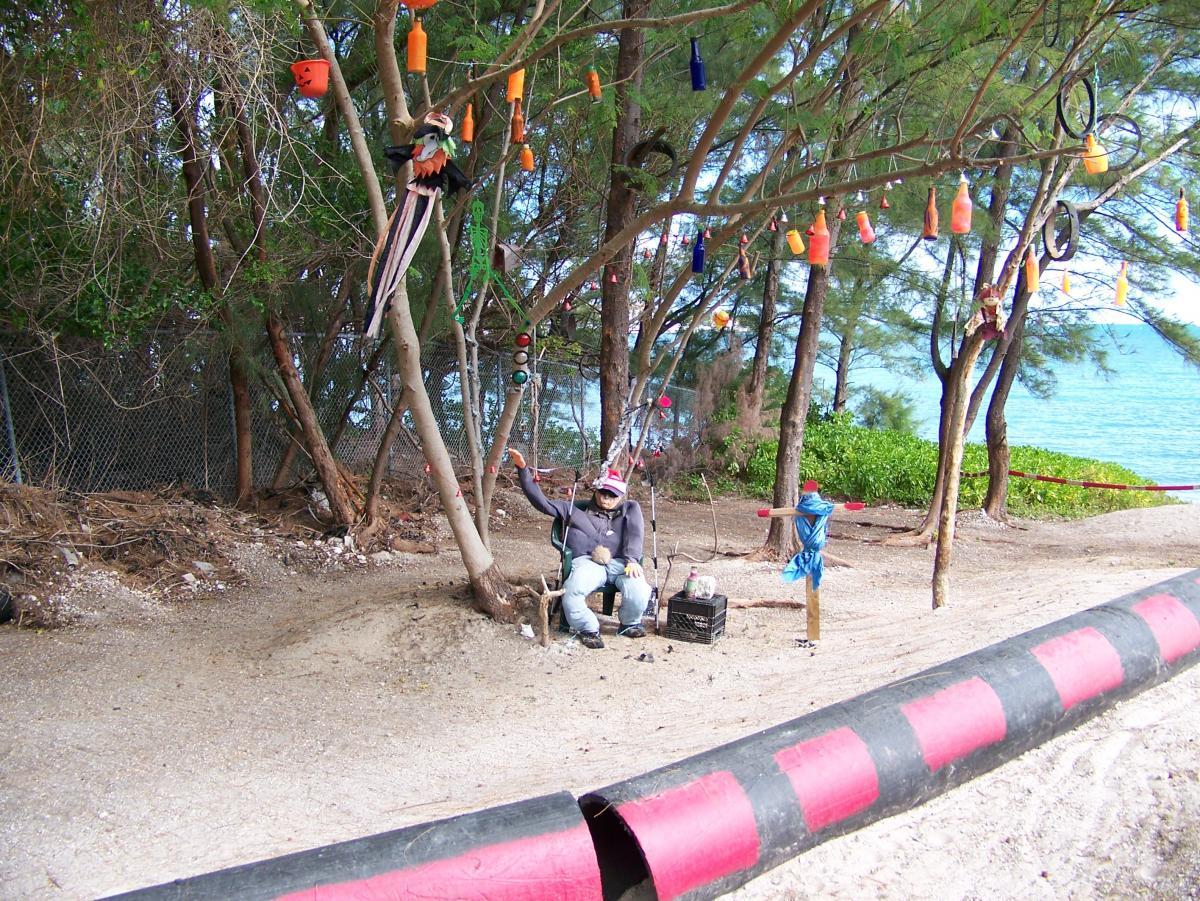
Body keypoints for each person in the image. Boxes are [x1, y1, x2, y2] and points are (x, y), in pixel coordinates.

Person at [508, 448, 650, 649]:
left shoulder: (628, 510)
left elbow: (636, 534)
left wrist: (633, 559)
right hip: (587, 564)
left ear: (620, 496)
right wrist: (523, 469)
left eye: (613, 495)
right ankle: (588, 628)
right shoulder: (573, 509)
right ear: (596, 490)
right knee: (572, 593)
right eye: (603, 493)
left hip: (621, 562)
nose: (607, 498)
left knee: (640, 590)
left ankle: (629, 623)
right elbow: (541, 503)